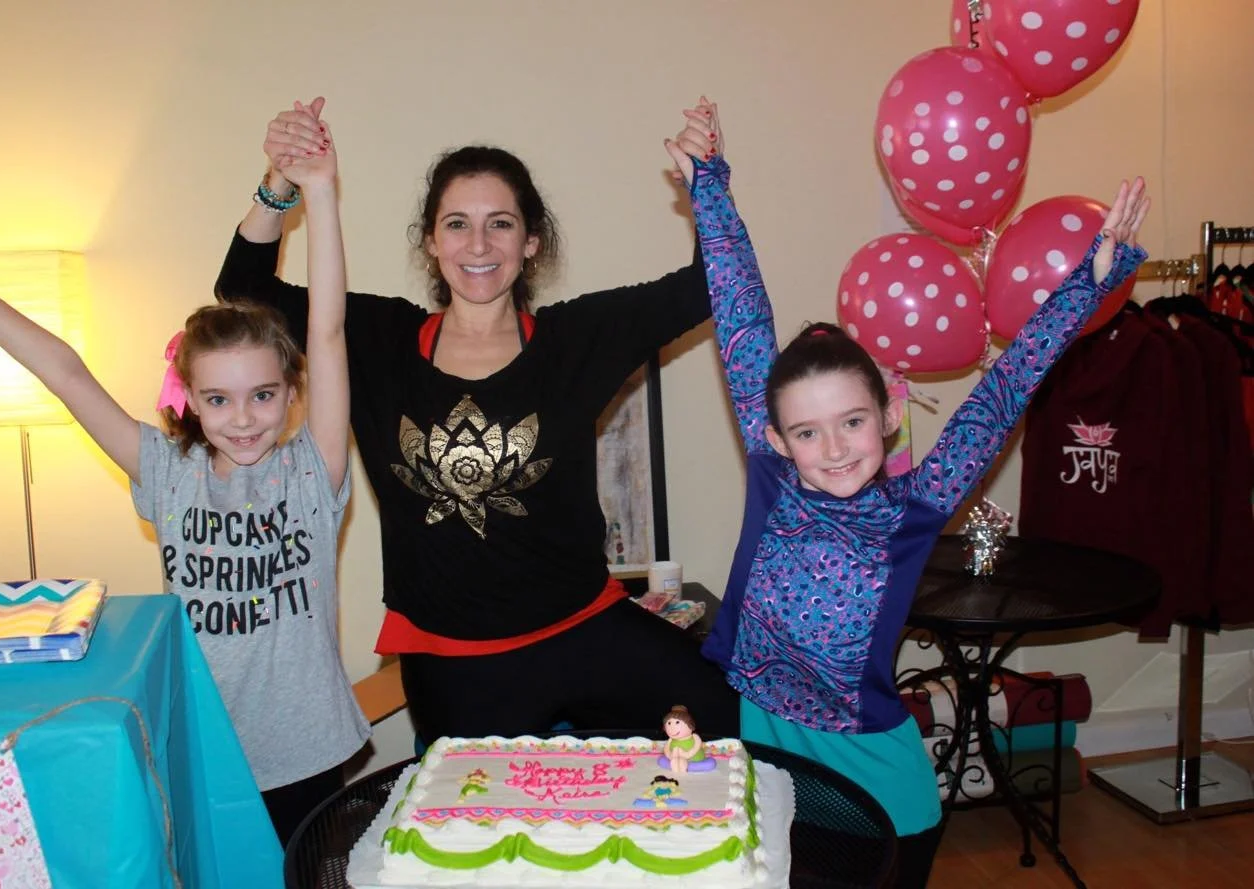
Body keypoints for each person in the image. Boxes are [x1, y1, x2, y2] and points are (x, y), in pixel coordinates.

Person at [671, 110, 1149, 887]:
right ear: (776, 434)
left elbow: (1002, 390)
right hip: (769, 769)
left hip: (879, 793)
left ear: (889, 415)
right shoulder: (771, 474)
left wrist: (1085, 286)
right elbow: (741, 313)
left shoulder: (915, 506)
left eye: (852, 421)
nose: (832, 448)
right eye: (808, 431)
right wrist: (712, 185)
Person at [214, 97, 739, 743]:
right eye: (457, 224)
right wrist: (279, 180)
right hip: (453, 660)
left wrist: (706, 185)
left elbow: (714, 283)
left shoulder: (576, 338)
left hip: (584, 629)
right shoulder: (379, 341)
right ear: (432, 242)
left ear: (531, 240)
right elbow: (242, 289)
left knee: (723, 720)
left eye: (501, 223)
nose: (479, 244)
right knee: (479, 832)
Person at [0, 120, 370, 846]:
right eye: (219, 399)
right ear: (190, 400)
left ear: (293, 393)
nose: (244, 418)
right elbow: (66, 373)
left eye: (263, 394)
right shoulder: (168, 472)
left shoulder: (310, 474)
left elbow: (326, 331)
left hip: (306, 754)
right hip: (199, 745)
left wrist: (318, 190)